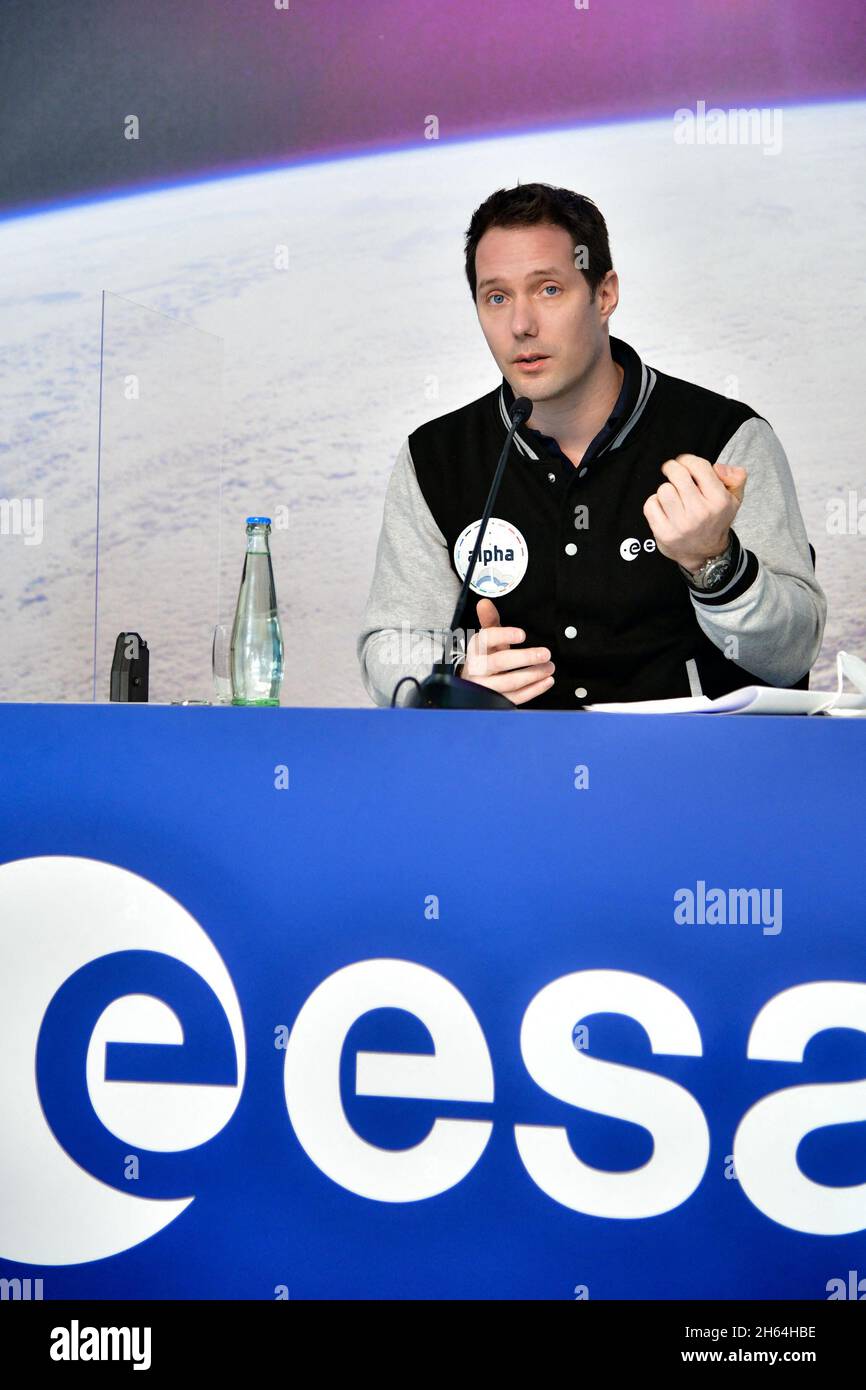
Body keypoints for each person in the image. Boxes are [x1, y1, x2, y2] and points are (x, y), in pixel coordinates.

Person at [357, 183, 826, 708]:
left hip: (692, 774)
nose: (521, 325)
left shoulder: (726, 437)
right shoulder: (434, 459)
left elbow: (791, 655)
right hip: (509, 775)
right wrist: (451, 668)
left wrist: (714, 563)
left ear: (604, 295)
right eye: (496, 297)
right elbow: (385, 649)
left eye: (549, 289)